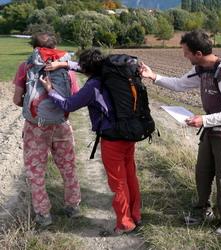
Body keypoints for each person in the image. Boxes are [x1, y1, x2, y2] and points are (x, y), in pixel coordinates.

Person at [140, 30, 221, 235]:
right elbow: (180, 84)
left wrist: (203, 119)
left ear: (198, 53)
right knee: (202, 173)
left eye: (186, 52)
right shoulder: (201, 68)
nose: (184, 56)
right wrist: (153, 76)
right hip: (210, 131)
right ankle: (203, 211)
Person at [39, 48, 141, 236]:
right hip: (129, 133)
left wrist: (50, 91)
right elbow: (81, 67)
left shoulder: (93, 86)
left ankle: (125, 223)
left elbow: (69, 105)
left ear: (87, 68)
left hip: (112, 139)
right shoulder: (112, 74)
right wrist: (64, 64)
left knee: (118, 182)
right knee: (130, 175)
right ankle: (136, 215)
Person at [12, 32, 81, 227]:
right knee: (68, 167)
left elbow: (17, 99)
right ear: (55, 45)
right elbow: (74, 98)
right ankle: (73, 206)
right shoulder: (68, 68)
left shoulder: (26, 66)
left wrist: (32, 107)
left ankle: (43, 215)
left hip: (35, 127)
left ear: (33, 47)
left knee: (36, 171)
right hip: (61, 124)